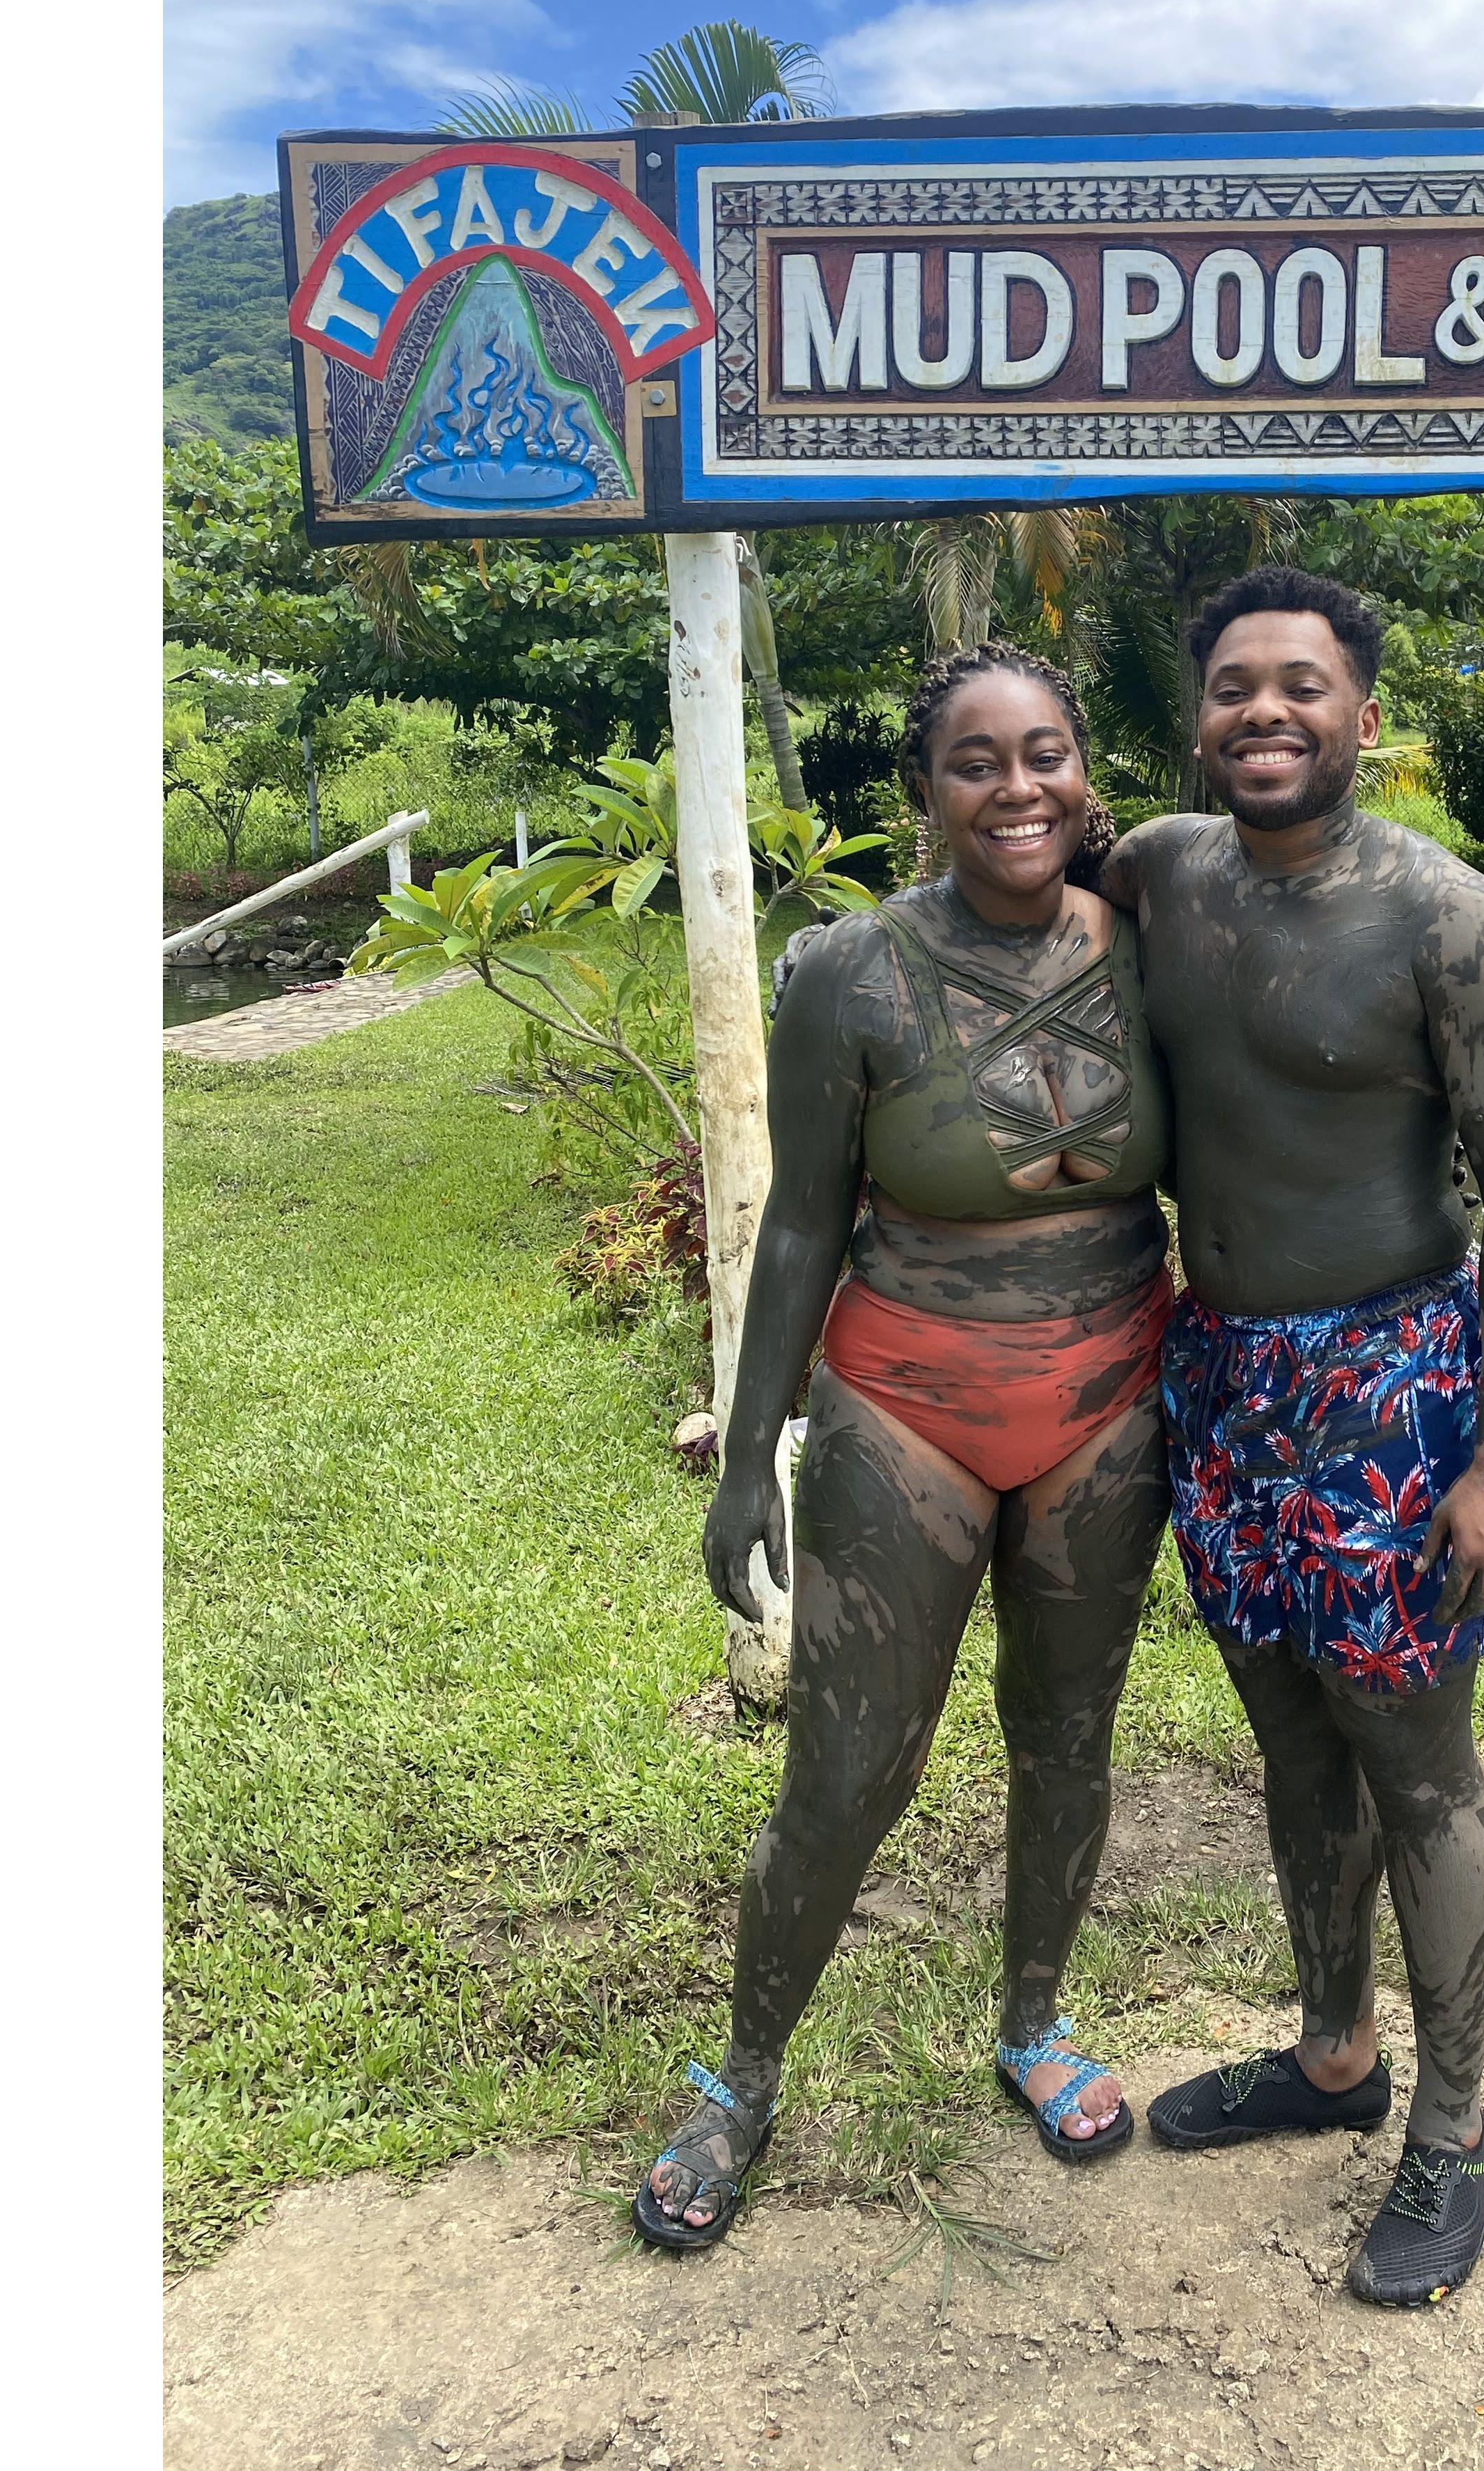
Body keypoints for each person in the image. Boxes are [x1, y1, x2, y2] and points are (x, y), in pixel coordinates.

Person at [634, 642, 1175, 2249]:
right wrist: (749, 1454)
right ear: (924, 791)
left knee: (1067, 1738)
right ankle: (738, 2078)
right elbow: (802, 1222)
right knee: (850, 1769)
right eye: (977, 762)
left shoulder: (1158, 945)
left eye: (1048, 754)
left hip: (1110, 1404)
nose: (1019, 789)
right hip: (905, 1408)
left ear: (1087, 773)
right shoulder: (849, 975)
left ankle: (1031, 2025)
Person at [1098, 564, 1484, 2309]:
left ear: (1366, 716)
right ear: (1200, 718)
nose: (1266, 715)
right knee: (1292, 1743)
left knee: (1414, 1755)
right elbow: (1009, 893)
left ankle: (1452, 2135)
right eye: (1235, 689)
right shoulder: (1155, 868)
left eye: (1303, 687)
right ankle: (1330, 2059)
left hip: (1392, 1386)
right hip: (1218, 1378)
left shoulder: (1452, 920)